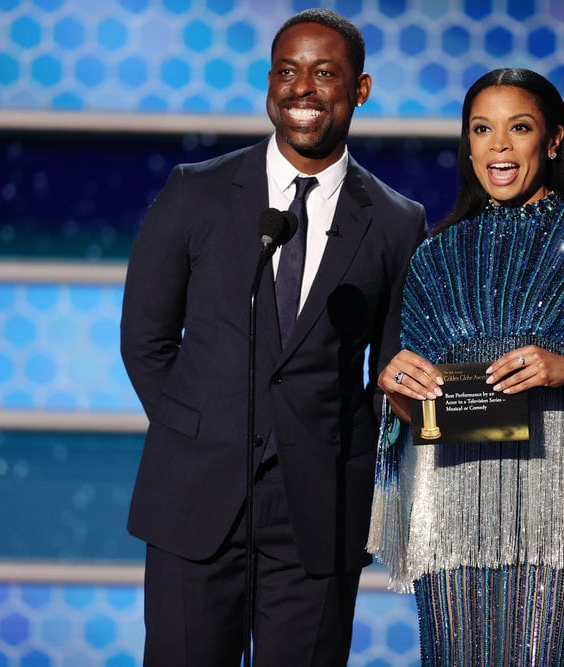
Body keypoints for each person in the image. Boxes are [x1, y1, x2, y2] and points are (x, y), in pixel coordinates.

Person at [120, 8, 426, 665]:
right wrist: (200, 431)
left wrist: (349, 459)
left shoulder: (398, 223)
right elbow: (145, 338)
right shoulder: (194, 192)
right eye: (287, 72)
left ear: (361, 89)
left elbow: (392, 371)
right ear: (268, 83)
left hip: (318, 516)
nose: (302, 89)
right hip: (195, 501)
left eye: (324, 73)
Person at [367, 68, 564, 665]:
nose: (498, 145)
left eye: (517, 128)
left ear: (552, 141)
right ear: (467, 145)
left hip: (560, 505)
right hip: (448, 505)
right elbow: (424, 414)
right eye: (481, 129)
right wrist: (394, 387)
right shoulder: (435, 257)